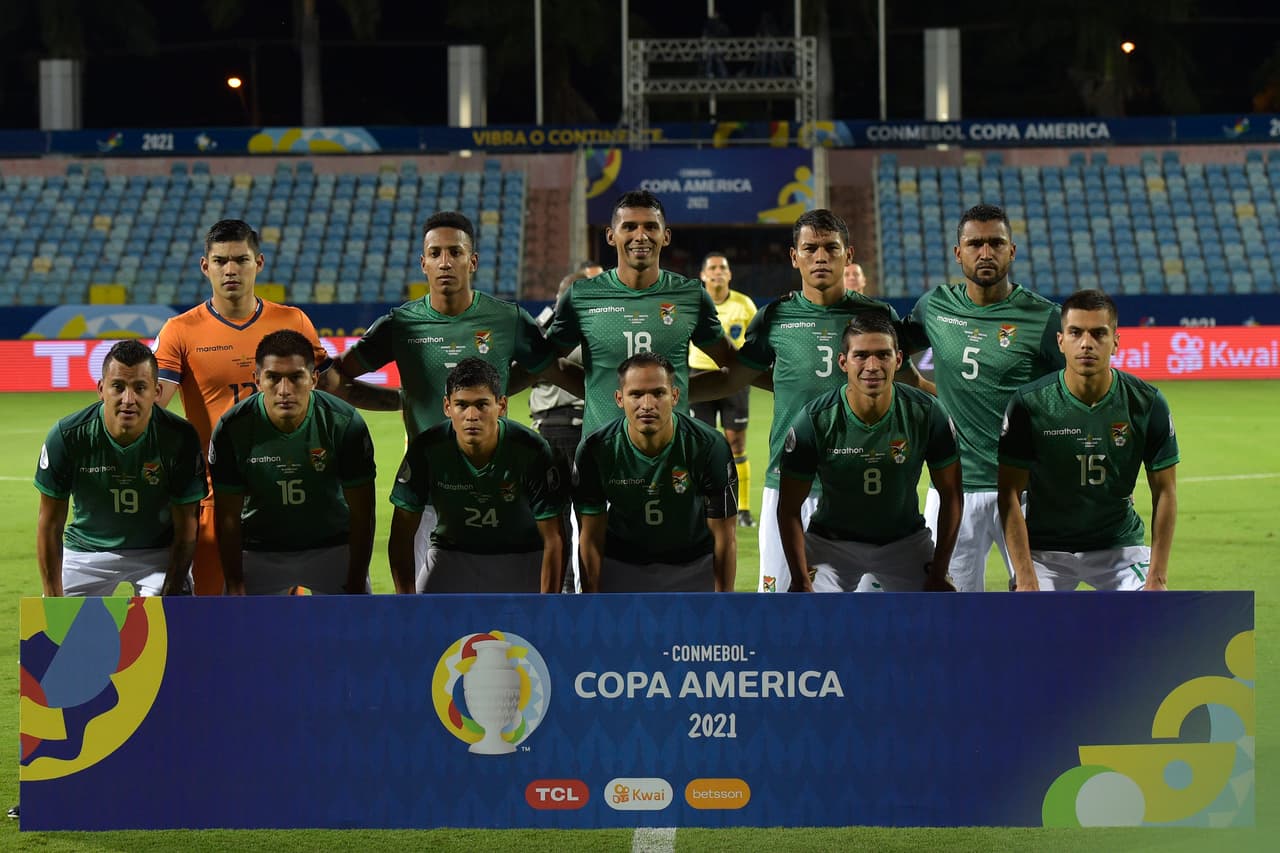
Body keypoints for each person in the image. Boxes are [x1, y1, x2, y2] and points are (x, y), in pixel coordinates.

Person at [153, 218, 394, 595]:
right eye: (220, 261)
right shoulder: (179, 331)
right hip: (218, 497)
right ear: (206, 266)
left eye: (240, 259)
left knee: (282, 624)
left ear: (258, 263)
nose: (230, 269)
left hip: (288, 494)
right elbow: (154, 401)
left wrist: (403, 400)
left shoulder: (292, 321)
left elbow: (335, 387)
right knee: (217, 614)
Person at [689, 209, 924, 593]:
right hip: (788, 485)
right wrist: (669, 392)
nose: (820, 257)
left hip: (864, 486)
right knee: (782, 606)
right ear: (794, 256)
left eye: (830, 248)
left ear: (848, 256)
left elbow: (910, 382)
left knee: (867, 617)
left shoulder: (878, 317)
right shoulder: (774, 318)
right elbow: (736, 377)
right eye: (810, 248)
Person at [332, 211, 579, 575]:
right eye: (435, 254)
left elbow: (549, 369)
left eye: (455, 252)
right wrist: (402, 399)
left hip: (502, 485)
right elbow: (341, 377)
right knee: (427, 606)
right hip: (429, 488)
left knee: (506, 605)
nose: (445, 262)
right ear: (423, 263)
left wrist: (612, 390)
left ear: (472, 260)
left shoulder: (506, 319)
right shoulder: (400, 324)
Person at [900, 203, 1065, 592]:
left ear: (1012, 250)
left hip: (1026, 493)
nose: (985, 253)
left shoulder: (1045, 318)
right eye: (975, 244)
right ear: (959, 253)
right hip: (952, 489)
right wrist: (925, 390)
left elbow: (1075, 392)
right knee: (948, 608)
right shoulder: (934, 307)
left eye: (996, 243)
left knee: (1036, 609)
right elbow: (888, 353)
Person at [998, 289, 1179, 592]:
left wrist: (1157, 577)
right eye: (1075, 332)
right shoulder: (1028, 404)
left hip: (1119, 549)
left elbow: (1165, 492)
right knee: (1031, 629)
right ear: (1060, 341)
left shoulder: (1147, 403)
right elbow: (1008, 494)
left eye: (1098, 333)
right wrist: (1025, 576)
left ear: (1116, 342)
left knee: (1152, 621)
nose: (1086, 343)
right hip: (1045, 550)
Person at [778, 313, 961, 592]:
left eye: (882, 355)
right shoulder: (815, 419)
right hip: (831, 545)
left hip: (905, 542)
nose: (873, 366)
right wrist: (800, 577)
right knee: (809, 623)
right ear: (843, 362)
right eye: (861, 356)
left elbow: (951, 496)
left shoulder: (927, 412)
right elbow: (789, 507)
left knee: (937, 622)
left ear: (898, 360)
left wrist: (940, 568)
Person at [547, 189, 736, 438]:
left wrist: (680, 389)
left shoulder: (691, 296)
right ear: (611, 236)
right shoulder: (581, 295)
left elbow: (734, 367)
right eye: (629, 227)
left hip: (670, 454)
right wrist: (594, 389)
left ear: (665, 235)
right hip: (602, 453)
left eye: (650, 226)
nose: (641, 236)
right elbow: (545, 362)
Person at [208, 330, 376, 595]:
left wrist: (356, 578)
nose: (284, 390)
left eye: (296, 377)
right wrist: (235, 581)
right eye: (273, 378)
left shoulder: (345, 423)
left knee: (354, 631)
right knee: (242, 632)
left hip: (332, 546)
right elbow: (227, 516)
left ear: (313, 378)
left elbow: (362, 513)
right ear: (257, 380)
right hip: (260, 549)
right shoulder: (232, 429)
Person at [34, 340, 206, 597]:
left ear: (157, 391)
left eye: (140, 387)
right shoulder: (67, 436)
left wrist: (172, 594)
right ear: (101, 389)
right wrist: (53, 597)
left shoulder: (179, 437)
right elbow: (49, 524)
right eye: (118, 386)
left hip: (158, 553)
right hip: (87, 551)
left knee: (173, 629)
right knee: (67, 633)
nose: (128, 399)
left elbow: (187, 527)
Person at [388, 358, 566, 593]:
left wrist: (547, 605)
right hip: (451, 554)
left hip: (522, 556)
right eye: (461, 405)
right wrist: (407, 600)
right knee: (423, 627)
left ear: (501, 405)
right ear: (447, 407)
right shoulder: (427, 449)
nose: (471, 415)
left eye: (482, 405)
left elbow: (554, 538)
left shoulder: (531, 450)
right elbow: (401, 533)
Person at [574, 353, 737, 592]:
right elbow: (590, 537)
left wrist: (724, 600)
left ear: (674, 396)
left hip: (693, 564)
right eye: (636, 394)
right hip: (622, 563)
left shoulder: (710, 446)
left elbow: (725, 536)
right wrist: (592, 600)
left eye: (658, 393)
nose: (647, 404)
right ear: (619, 399)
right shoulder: (595, 450)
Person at [530, 268, 594, 592]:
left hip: (548, 429)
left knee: (553, 515)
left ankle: (558, 587)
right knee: (585, 514)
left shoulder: (539, 331)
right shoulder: (592, 331)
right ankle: (578, 584)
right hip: (580, 428)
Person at [688, 251, 759, 528]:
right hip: (699, 377)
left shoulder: (744, 304)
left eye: (723, 268)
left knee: (736, 443)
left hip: (733, 380)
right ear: (703, 275)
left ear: (729, 274)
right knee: (700, 446)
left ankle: (742, 509)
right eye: (713, 268)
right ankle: (700, 505)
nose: (718, 272)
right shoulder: (695, 304)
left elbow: (756, 340)